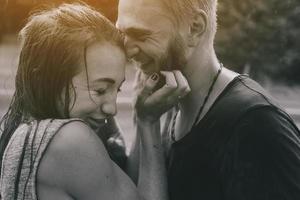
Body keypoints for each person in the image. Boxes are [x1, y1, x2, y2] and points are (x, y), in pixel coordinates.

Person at [0, 3, 190, 200]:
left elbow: (125, 189)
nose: (112, 108)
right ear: (47, 79)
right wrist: (149, 124)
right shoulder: (69, 140)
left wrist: (139, 116)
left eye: (117, 89)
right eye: (100, 90)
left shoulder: (24, 134)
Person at [117, 0, 300, 199]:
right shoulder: (168, 100)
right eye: (122, 34)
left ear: (195, 28)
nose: (127, 50)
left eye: (141, 35)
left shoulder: (257, 125)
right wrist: (143, 120)